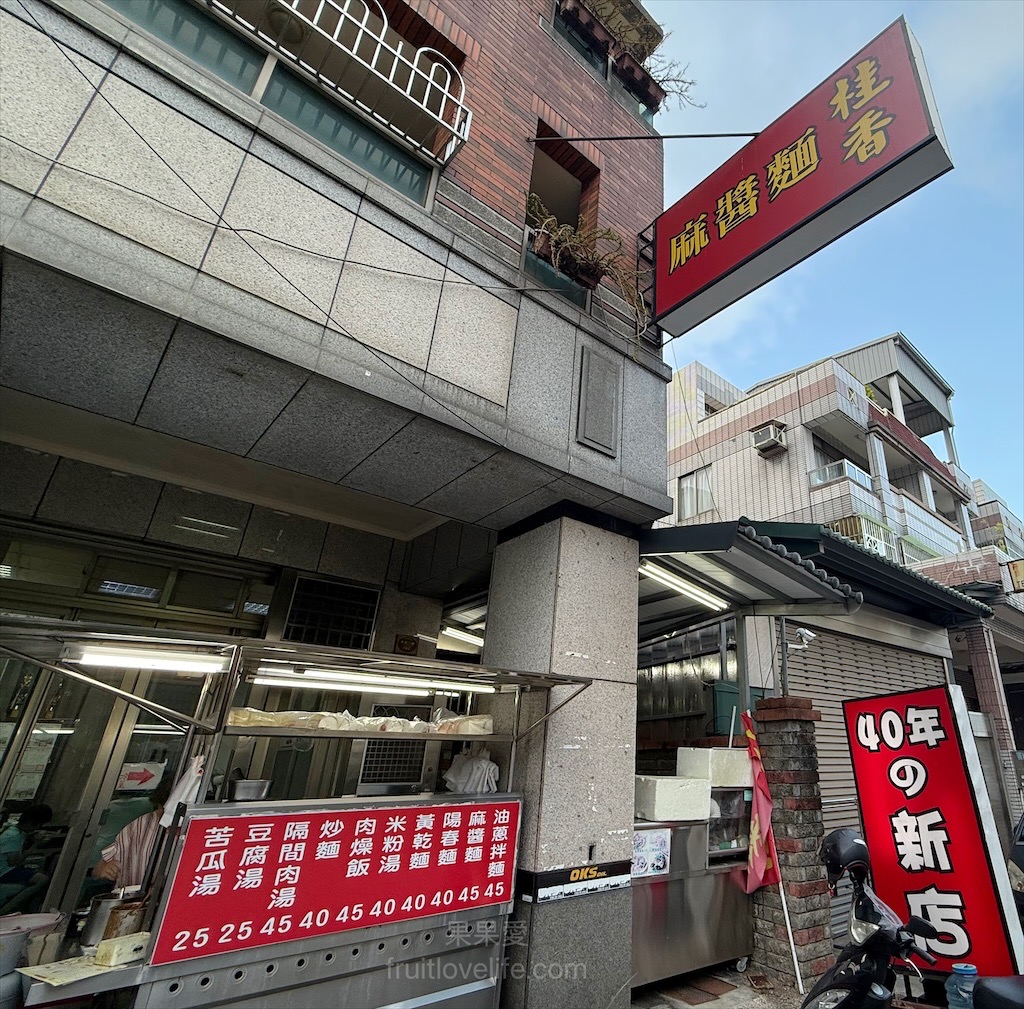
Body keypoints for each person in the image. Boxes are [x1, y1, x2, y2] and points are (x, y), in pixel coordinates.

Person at [92, 778, 172, 890]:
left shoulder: (198, 833)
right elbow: (98, 870)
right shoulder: (139, 825)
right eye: (164, 810)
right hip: (132, 901)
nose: (167, 818)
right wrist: (105, 869)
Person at [0, 804, 53, 913]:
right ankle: (6, 909)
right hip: (4, 871)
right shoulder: (13, 836)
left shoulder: (14, 831)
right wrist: (35, 845)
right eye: (38, 825)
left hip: (5, 869)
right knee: (42, 879)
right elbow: (14, 862)